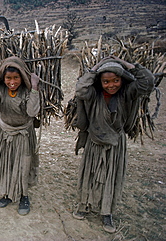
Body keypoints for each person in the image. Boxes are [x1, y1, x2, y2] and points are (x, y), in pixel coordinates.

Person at [72, 55, 154, 233]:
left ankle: (106, 212)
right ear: (99, 82)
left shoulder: (127, 93)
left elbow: (148, 82)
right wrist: (97, 67)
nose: (111, 85)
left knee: (111, 177)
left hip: (115, 144)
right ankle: (84, 205)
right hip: (95, 142)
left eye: (116, 80)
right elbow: (80, 89)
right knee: (89, 175)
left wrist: (125, 64)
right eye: (106, 81)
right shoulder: (93, 94)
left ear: (122, 80)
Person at [0, 56, 40, 215]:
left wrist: (34, 86)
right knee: (7, 164)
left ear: (22, 77)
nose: (12, 82)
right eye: (8, 78)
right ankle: (8, 194)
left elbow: (32, 112)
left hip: (24, 134)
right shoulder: (0, 90)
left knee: (23, 165)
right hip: (6, 134)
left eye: (16, 78)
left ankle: (24, 196)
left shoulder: (27, 91)